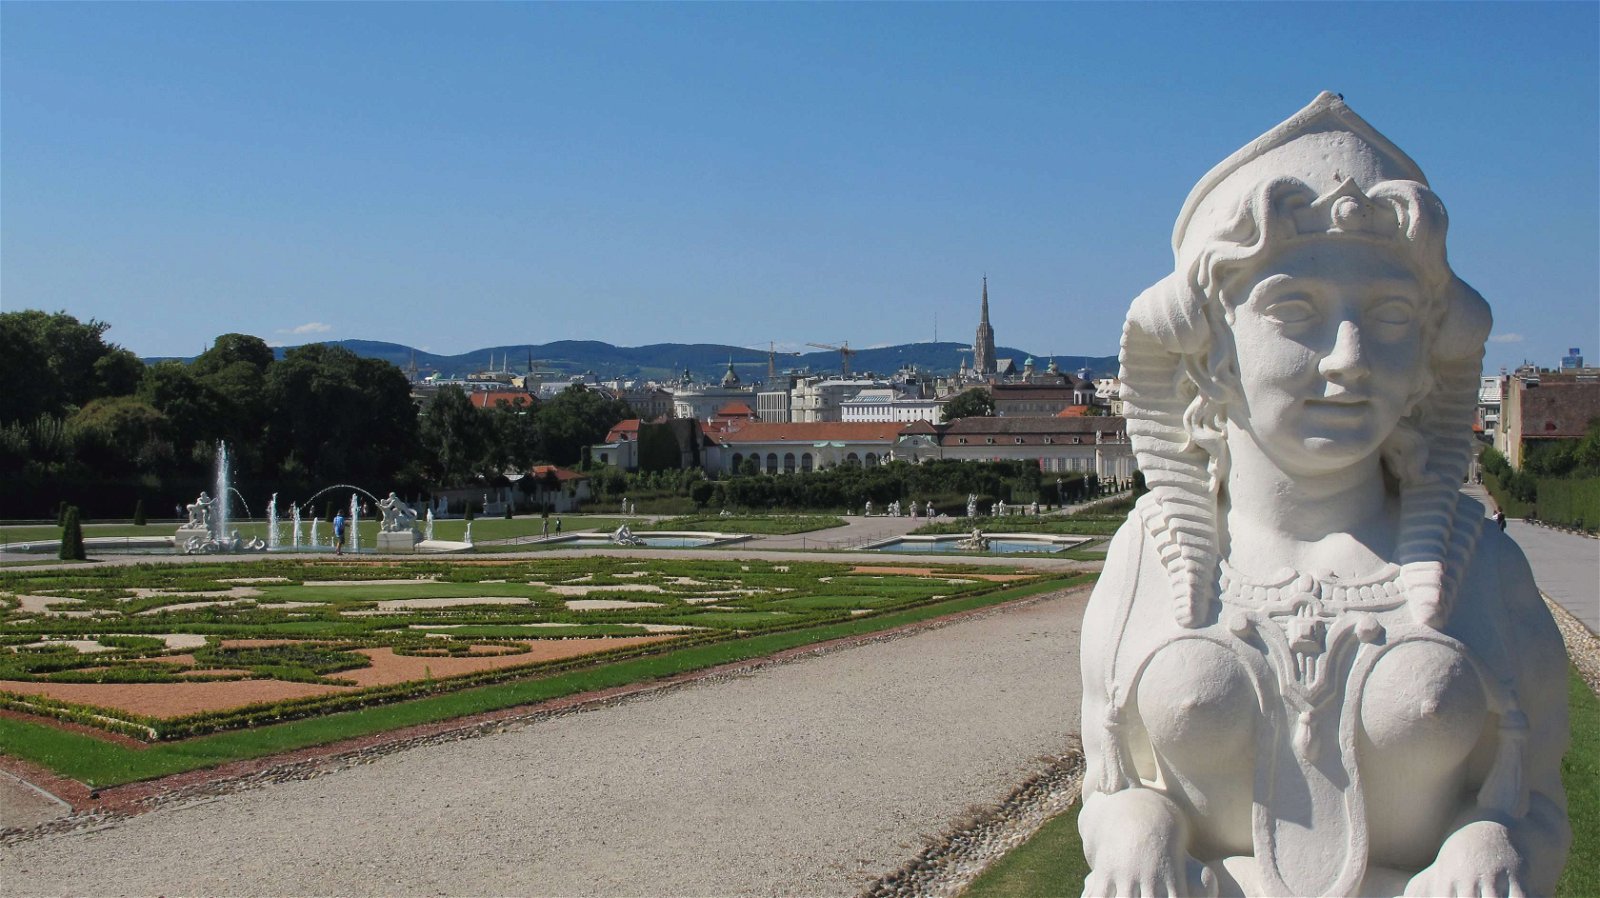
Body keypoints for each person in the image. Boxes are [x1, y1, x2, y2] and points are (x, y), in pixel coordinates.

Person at [1079, 94, 1568, 898]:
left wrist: (1490, 843)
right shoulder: (1144, 563)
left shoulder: (1486, 569)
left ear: (1425, 362)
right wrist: (1138, 826)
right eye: (1295, 311)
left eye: (1392, 315)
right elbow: (1105, 784)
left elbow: (1540, 802)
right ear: (1213, 353)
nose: (1349, 359)